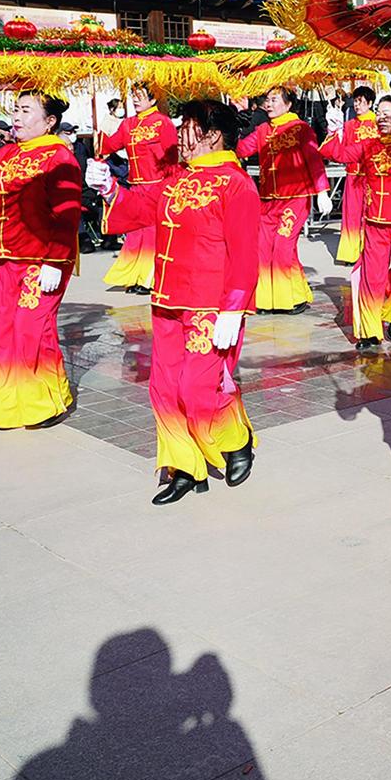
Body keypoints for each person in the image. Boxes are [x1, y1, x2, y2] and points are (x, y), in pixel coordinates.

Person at [88, 99, 260, 505]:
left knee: (197, 387)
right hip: (166, 299)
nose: (178, 133)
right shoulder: (176, 179)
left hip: (209, 305)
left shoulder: (236, 184)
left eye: (187, 126)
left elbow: (245, 253)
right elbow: (141, 209)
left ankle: (235, 439)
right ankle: (184, 467)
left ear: (211, 134)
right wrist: (110, 188)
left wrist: (234, 307)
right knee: (164, 387)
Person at [0, 93, 81, 430]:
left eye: (26, 111)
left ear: (49, 121)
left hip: (44, 258)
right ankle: (1, 402)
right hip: (8, 257)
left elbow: (68, 214)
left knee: (32, 330)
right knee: (3, 330)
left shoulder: (60, 157)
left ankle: (42, 401)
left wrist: (55, 259)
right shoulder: (6, 154)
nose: (17, 117)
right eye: (15, 109)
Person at [322, 95, 391, 350]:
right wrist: (334, 130)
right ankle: (370, 331)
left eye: (387, 113)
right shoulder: (368, 146)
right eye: (379, 113)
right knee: (373, 277)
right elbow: (337, 153)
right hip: (374, 223)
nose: (381, 118)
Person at [233, 86, 330, 314]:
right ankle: (268, 299)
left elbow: (313, 160)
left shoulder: (301, 129)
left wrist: (322, 192)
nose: (269, 104)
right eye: (267, 99)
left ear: (288, 104)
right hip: (268, 200)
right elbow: (240, 150)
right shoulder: (262, 130)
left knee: (283, 246)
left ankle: (292, 298)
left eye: (274, 100)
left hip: (295, 199)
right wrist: (234, 125)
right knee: (263, 246)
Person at [97, 84, 177, 294]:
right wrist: (101, 133)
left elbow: (172, 159)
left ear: (153, 99)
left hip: (157, 186)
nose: (135, 99)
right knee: (134, 233)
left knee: (151, 233)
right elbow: (110, 145)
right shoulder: (128, 124)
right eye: (134, 95)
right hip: (136, 187)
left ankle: (149, 278)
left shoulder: (163, 123)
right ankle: (133, 276)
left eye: (140, 95)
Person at [329, 85, 378, 266]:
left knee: (370, 213)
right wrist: (334, 132)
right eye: (356, 101)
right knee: (351, 214)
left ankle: (369, 250)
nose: (357, 105)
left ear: (370, 103)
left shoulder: (378, 124)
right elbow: (339, 151)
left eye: (361, 102)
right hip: (353, 175)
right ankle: (351, 253)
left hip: (372, 176)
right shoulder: (348, 125)